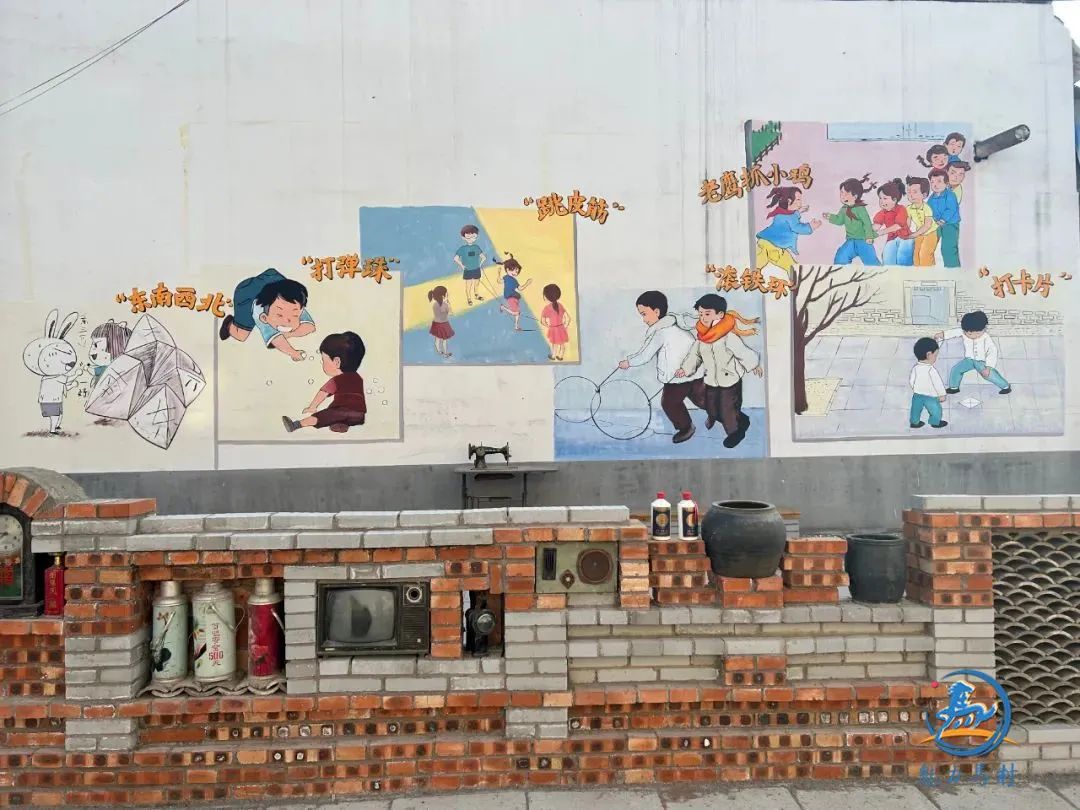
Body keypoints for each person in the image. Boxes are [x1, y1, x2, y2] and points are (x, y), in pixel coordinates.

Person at [673, 293, 763, 449]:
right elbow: (694, 355)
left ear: (720, 315)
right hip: (711, 381)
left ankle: (735, 433)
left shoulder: (728, 337)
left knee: (727, 410)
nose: (703, 317)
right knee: (712, 408)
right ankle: (742, 419)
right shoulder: (702, 338)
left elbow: (743, 352)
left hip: (730, 381)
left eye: (707, 314)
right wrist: (685, 369)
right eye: (700, 314)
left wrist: (753, 365)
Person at [617, 291, 705, 444]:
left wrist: (628, 362)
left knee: (669, 403)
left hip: (676, 378)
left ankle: (686, 428)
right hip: (695, 372)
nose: (643, 319)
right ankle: (727, 414)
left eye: (644, 314)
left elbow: (645, 355)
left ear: (656, 312)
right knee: (701, 400)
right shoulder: (677, 325)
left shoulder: (660, 332)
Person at [220, 269, 315, 361]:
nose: (287, 320)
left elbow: (310, 327)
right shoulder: (261, 313)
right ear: (264, 318)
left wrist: (285, 334)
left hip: (274, 280)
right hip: (247, 294)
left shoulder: (293, 304)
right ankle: (229, 324)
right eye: (279, 315)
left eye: (294, 315)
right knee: (241, 336)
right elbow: (275, 339)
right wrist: (293, 353)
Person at [282, 331, 367, 434]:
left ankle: (296, 425)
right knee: (337, 417)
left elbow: (323, 392)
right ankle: (341, 425)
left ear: (336, 362)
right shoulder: (358, 378)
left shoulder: (337, 380)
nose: (322, 363)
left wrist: (312, 407)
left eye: (324, 360)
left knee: (321, 417)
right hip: (359, 415)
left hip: (340, 412)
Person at [934, 311, 1011, 395]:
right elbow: (953, 332)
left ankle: (1005, 386)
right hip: (969, 360)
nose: (973, 336)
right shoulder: (964, 332)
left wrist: (988, 367)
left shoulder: (986, 338)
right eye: (970, 334)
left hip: (981, 361)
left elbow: (992, 352)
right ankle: (954, 387)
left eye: (978, 333)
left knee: (989, 375)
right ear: (965, 331)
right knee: (956, 370)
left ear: (984, 329)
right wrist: (942, 334)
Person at [754, 187, 821, 273]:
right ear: (789, 201)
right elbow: (797, 227)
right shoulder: (789, 217)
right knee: (757, 266)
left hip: (771, 246)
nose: (801, 202)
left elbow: (790, 216)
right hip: (770, 247)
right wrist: (811, 226)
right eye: (798, 200)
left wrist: (798, 212)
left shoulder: (781, 213)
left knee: (792, 268)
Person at [822, 175, 881, 266]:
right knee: (841, 257)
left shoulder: (860, 208)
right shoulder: (844, 208)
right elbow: (839, 220)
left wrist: (869, 236)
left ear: (855, 196)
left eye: (846, 194)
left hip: (863, 240)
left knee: (871, 262)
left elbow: (867, 223)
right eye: (841, 193)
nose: (842, 196)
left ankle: (879, 272)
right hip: (850, 241)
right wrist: (830, 217)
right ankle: (841, 272)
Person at [909, 337, 948, 429]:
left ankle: (914, 422)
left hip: (917, 395)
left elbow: (911, 380)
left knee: (915, 409)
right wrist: (942, 394)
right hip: (931, 396)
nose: (936, 358)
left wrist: (915, 388)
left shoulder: (915, 368)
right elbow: (938, 384)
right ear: (929, 355)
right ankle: (935, 422)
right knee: (936, 410)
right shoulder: (931, 370)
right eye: (935, 355)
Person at [873, 178, 913, 266]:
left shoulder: (901, 209)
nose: (882, 201)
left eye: (885, 198)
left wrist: (881, 232)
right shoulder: (882, 213)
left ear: (894, 200)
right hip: (891, 239)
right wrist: (867, 232)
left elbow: (898, 226)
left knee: (903, 257)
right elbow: (876, 226)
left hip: (905, 238)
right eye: (880, 198)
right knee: (887, 259)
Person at [927, 169, 961, 268]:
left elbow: (951, 209)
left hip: (950, 224)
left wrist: (943, 220)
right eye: (932, 182)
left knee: (948, 248)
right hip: (936, 224)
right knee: (928, 244)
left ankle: (953, 269)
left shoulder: (950, 195)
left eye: (939, 181)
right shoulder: (931, 198)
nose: (935, 185)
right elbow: (928, 211)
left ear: (946, 183)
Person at [904, 176, 939, 267]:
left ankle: (928, 272)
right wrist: (905, 232)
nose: (911, 195)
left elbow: (927, 225)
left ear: (924, 195)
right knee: (916, 254)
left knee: (925, 254)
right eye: (909, 192)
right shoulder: (909, 208)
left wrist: (915, 234)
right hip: (919, 233)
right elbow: (907, 222)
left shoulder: (926, 208)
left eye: (915, 192)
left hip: (930, 233)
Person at [453, 225, 487, 306]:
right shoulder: (462, 248)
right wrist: (462, 266)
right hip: (468, 270)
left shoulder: (476, 247)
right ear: (463, 237)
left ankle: (476, 295)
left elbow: (483, 257)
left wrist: (480, 264)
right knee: (469, 285)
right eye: (468, 237)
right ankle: (469, 299)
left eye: (473, 237)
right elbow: (455, 258)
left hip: (476, 269)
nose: (471, 239)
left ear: (476, 237)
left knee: (476, 284)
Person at [497, 253, 532, 331]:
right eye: (513, 270)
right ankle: (503, 307)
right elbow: (499, 281)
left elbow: (520, 288)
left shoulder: (515, 281)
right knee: (515, 313)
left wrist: (527, 283)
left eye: (517, 272)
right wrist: (498, 273)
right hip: (510, 296)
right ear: (507, 270)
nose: (515, 273)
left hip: (515, 297)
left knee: (517, 313)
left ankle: (516, 326)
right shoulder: (506, 277)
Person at [541, 283, 572, 361]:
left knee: (554, 344)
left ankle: (553, 356)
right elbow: (568, 318)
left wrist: (548, 326)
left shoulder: (547, 308)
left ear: (546, 296)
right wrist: (565, 327)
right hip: (561, 328)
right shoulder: (560, 305)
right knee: (562, 344)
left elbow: (543, 321)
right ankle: (560, 356)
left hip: (553, 329)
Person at [428, 286, 455, 358]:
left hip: (436, 324)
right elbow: (451, 313)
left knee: (437, 338)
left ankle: (439, 351)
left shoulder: (434, 304)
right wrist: (448, 304)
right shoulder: (445, 305)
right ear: (443, 296)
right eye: (446, 294)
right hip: (443, 324)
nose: (448, 295)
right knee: (444, 340)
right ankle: (445, 353)